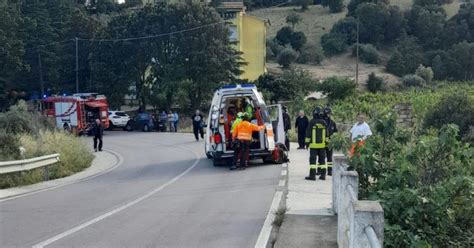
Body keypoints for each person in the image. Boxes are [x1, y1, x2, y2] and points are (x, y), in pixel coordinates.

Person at [305, 106, 328, 181]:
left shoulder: (312, 122)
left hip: (313, 146)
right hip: (322, 146)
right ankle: (323, 175)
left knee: (313, 161)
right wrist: (327, 143)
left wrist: (307, 143)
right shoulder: (324, 122)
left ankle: (312, 176)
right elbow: (327, 134)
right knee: (322, 161)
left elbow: (308, 134)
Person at [322, 107, 337, 176]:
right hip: (321, 143)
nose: (330, 115)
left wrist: (333, 138)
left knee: (329, 157)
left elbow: (335, 132)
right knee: (321, 157)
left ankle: (330, 171)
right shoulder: (321, 121)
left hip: (330, 143)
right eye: (329, 113)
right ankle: (321, 170)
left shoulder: (332, 122)